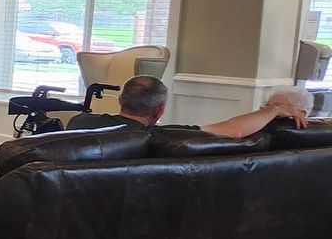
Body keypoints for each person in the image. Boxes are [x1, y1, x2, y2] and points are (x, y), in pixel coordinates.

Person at [66, 75, 307, 137]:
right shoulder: (166, 136)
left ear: (120, 100)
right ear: (160, 109)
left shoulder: (79, 123)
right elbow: (234, 131)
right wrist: (273, 110)